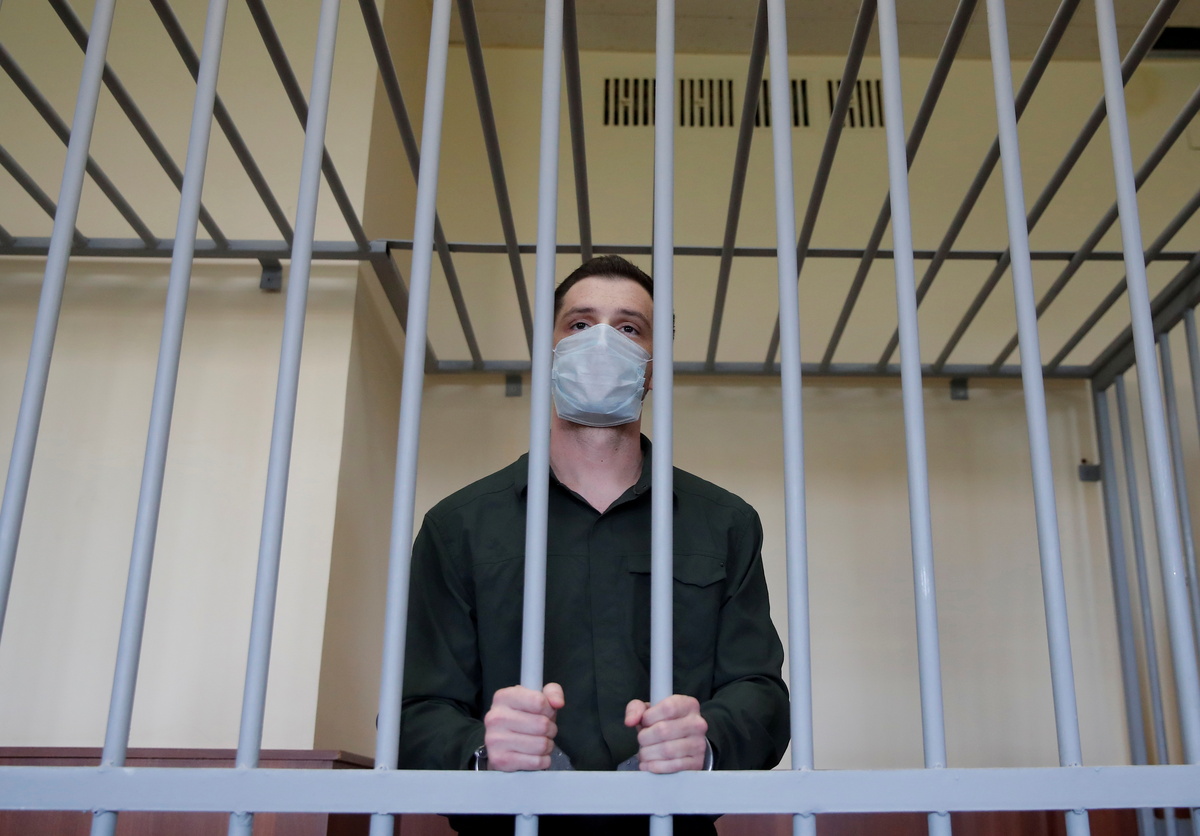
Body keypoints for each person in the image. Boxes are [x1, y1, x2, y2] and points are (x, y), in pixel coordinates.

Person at [398, 255, 789, 835]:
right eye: (580, 324)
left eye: (629, 328)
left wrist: (707, 740)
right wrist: (481, 749)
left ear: (653, 368)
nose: (602, 343)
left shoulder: (725, 524)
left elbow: (760, 693)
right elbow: (412, 711)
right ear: (551, 351)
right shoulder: (458, 527)